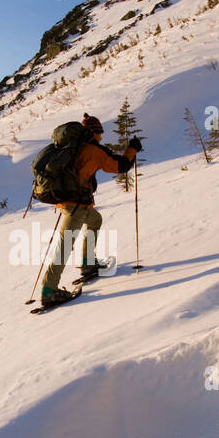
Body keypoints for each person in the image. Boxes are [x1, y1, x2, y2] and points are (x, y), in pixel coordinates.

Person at [40, 113, 142, 307]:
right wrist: (132, 149)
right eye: (100, 133)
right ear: (94, 132)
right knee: (64, 246)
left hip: (71, 202)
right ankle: (48, 290)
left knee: (95, 220)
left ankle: (87, 264)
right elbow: (120, 165)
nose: (101, 137)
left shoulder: (69, 148)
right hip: (75, 205)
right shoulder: (92, 150)